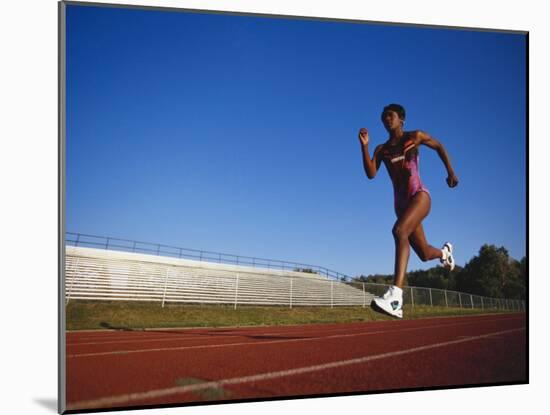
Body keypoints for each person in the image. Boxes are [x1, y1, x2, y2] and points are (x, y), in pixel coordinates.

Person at [358, 103, 458, 318]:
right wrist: (365, 146)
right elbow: (371, 174)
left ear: (401, 119)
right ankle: (444, 253)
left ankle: (395, 297)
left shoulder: (415, 136)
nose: (387, 119)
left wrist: (450, 171)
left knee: (399, 232)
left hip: (419, 196)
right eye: (384, 117)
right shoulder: (381, 149)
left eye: (391, 116)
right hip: (401, 205)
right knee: (423, 253)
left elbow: (439, 145)